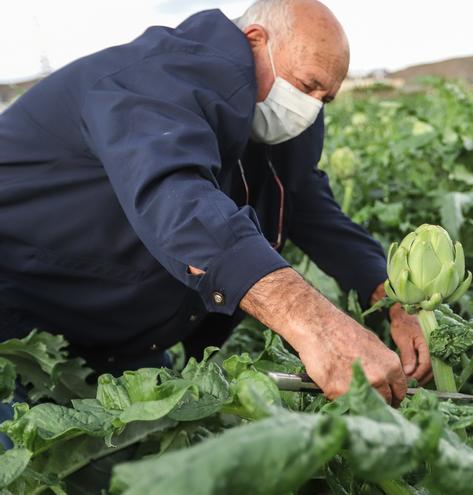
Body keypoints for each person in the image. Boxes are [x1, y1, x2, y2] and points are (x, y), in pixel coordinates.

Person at [0, 0, 433, 411]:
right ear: (255, 41)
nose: (310, 108)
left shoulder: (276, 124)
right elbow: (178, 200)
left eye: (326, 98)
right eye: (307, 86)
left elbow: (309, 207)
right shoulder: (154, 79)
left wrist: (395, 299)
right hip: (20, 317)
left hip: (114, 336)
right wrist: (317, 327)